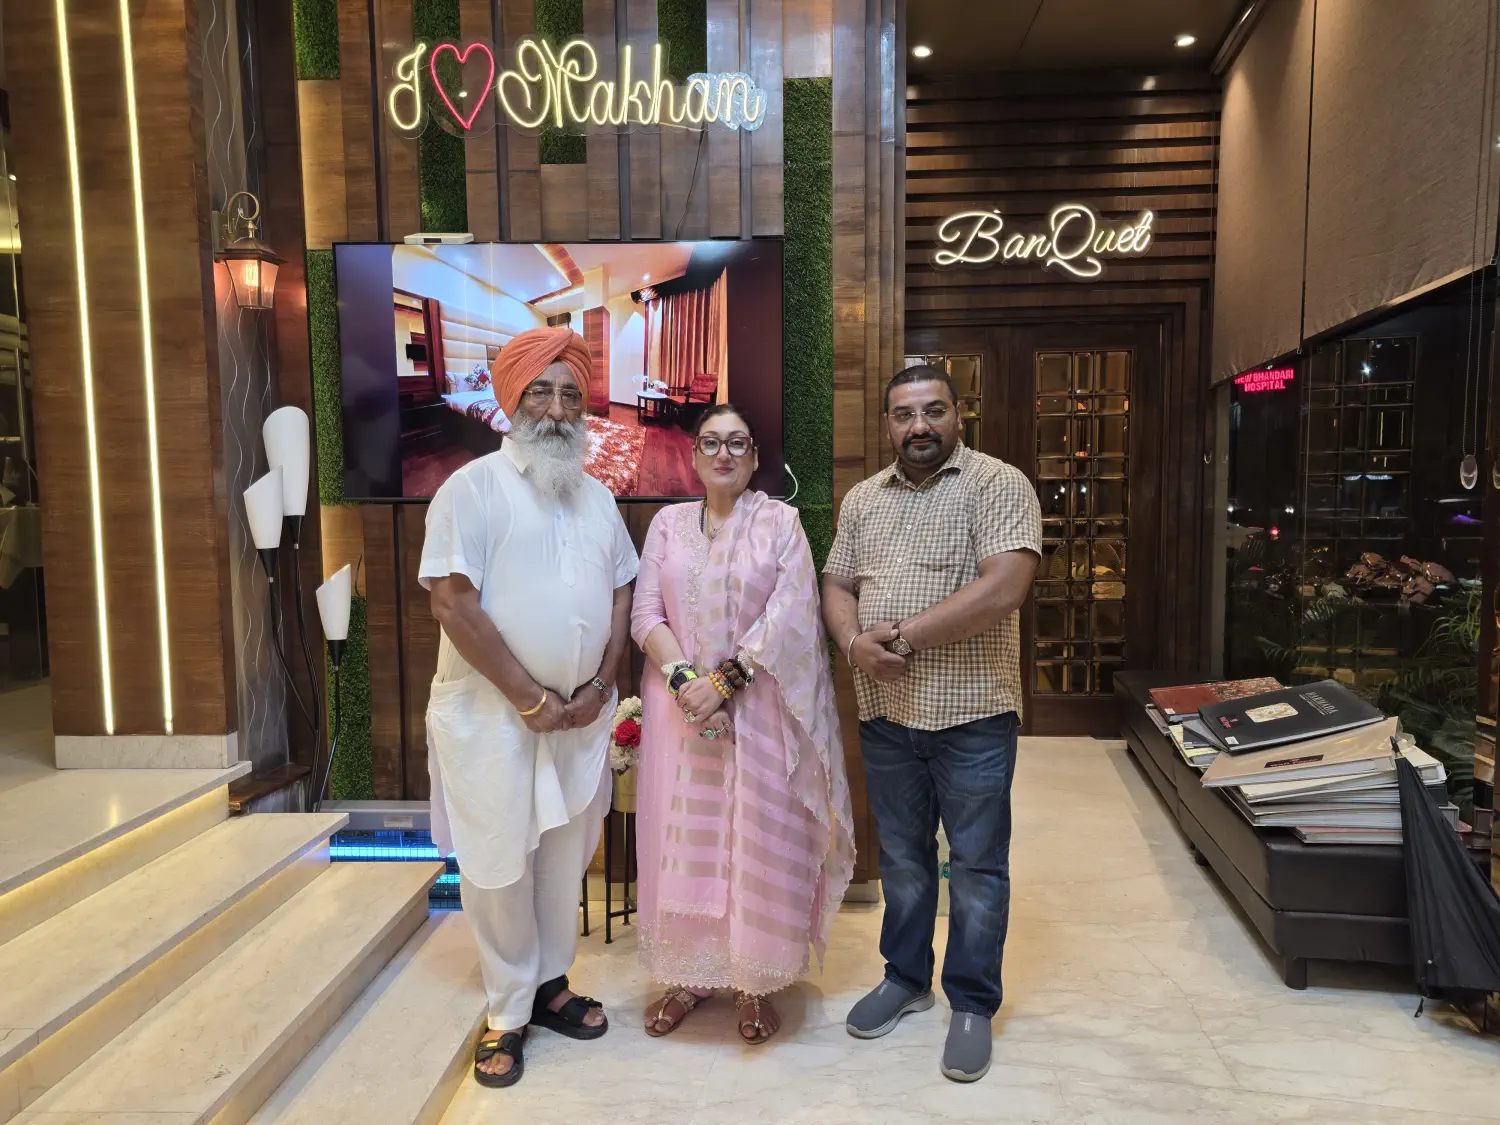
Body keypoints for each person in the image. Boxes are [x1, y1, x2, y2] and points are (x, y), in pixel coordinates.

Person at [421, 327, 639, 1089]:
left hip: (577, 718)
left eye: (570, 394)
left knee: (560, 856)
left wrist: (602, 684)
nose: (556, 408)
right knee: (498, 861)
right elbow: (453, 603)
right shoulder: (472, 489)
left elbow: (621, 590)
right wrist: (530, 697)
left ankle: (549, 984)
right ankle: (508, 1009)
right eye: (540, 391)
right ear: (513, 399)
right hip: (494, 717)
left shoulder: (599, 497)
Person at [820, 365, 1041, 1083]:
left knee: (975, 865)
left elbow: (1004, 586)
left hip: (973, 713)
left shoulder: (996, 484)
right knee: (905, 860)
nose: (919, 425)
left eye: (933, 410)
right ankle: (906, 977)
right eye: (904, 414)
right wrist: (853, 643)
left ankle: (972, 1002)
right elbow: (836, 581)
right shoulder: (863, 499)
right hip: (888, 717)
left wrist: (902, 639)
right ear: (887, 423)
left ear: (958, 414)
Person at [630, 403, 855, 1045]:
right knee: (684, 842)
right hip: (681, 713)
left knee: (754, 836)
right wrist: (687, 683)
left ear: (755, 457)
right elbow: (646, 615)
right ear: (693, 456)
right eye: (711, 442)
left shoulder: (780, 523)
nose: (723, 454)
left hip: (760, 712)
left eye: (737, 443)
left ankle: (755, 981)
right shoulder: (668, 524)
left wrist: (725, 682)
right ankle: (687, 976)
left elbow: (793, 613)